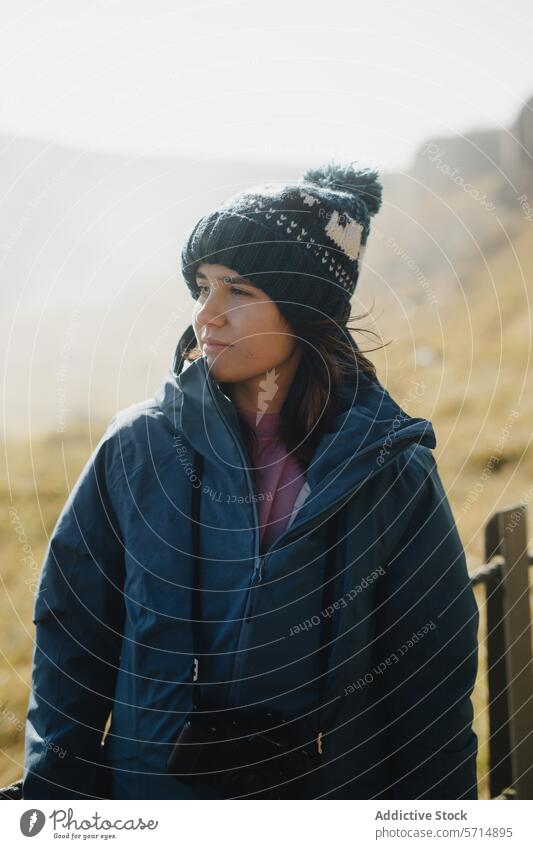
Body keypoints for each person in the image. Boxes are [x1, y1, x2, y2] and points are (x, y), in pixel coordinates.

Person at [23, 161, 479, 800]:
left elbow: (431, 676)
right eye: (201, 286)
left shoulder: (389, 469)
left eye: (238, 291)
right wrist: (53, 800)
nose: (207, 316)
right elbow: (72, 640)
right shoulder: (137, 447)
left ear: (302, 306)